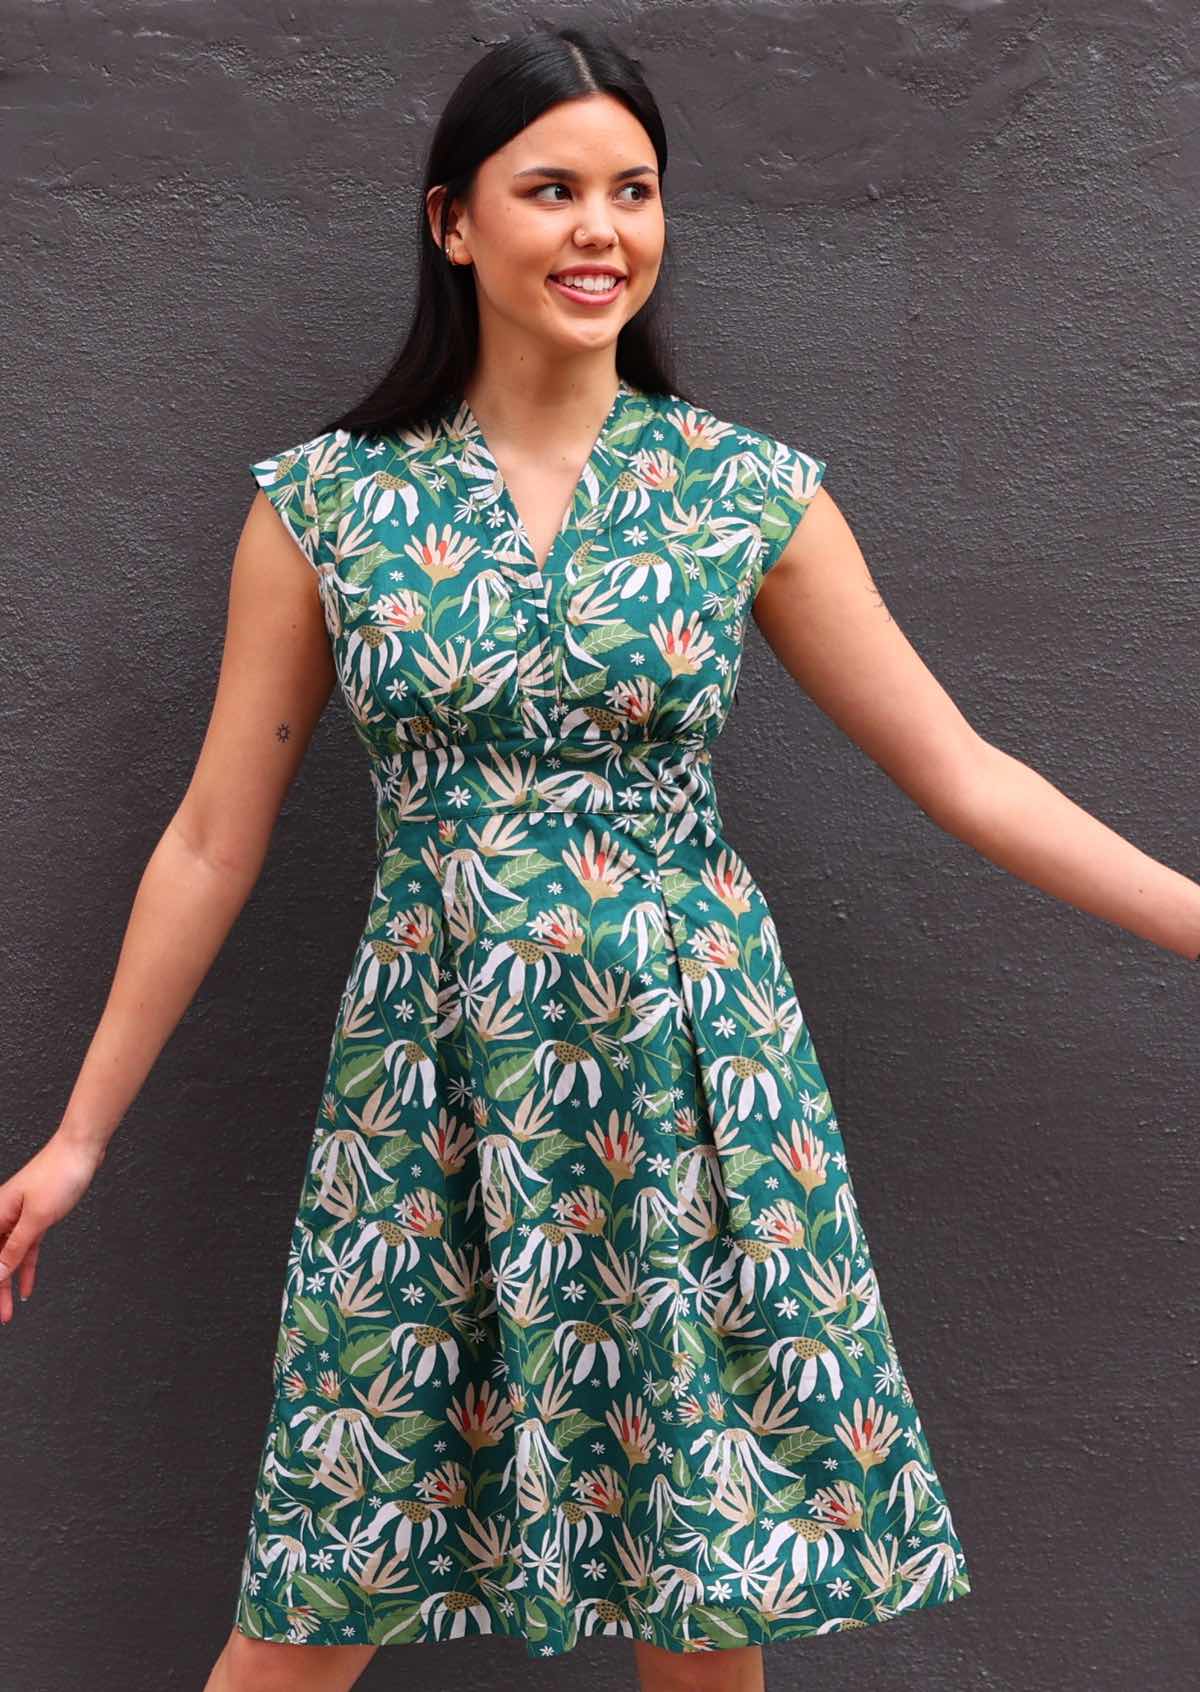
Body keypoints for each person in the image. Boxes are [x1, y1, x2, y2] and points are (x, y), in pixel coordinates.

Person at [3, 23, 1198, 1692]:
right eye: (549, 188)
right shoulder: (325, 507)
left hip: (695, 1084)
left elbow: (967, 775)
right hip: (429, 1089)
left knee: (704, 1600)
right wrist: (77, 1136)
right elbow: (213, 838)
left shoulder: (743, 494)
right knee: (317, 1594)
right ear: (453, 224)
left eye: (632, 191)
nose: (599, 230)